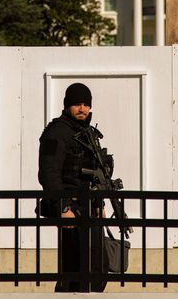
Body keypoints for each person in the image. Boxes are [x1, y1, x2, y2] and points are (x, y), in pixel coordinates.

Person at [38, 83, 110, 292]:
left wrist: (100, 204)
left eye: (86, 105)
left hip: (89, 208)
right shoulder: (56, 132)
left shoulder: (88, 132)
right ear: (67, 106)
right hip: (71, 210)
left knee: (98, 266)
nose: (82, 109)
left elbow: (96, 173)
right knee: (74, 269)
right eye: (77, 104)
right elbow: (48, 172)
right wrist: (62, 207)